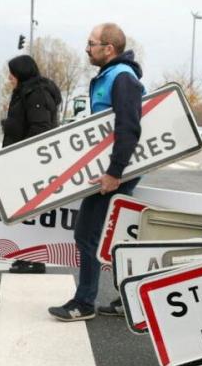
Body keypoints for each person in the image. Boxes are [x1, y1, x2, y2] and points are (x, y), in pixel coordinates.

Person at [48, 23, 144, 321]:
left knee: (87, 234)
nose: (87, 49)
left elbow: (128, 128)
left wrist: (114, 173)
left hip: (115, 174)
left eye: (91, 43)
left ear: (109, 48)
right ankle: (129, 298)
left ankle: (84, 302)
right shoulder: (110, 76)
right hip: (112, 171)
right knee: (110, 238)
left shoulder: (122, 78)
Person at [1, 54, 63, 274]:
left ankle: (34, 259)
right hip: (24, 160)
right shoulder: (27, 91)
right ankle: (27, 256)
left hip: (29, 162)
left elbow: (40, 128)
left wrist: (26, 160)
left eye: (12, 73)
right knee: (25, 212)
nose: (9, 77)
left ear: (22, 72)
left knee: (30, 212)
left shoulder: (35, 92)